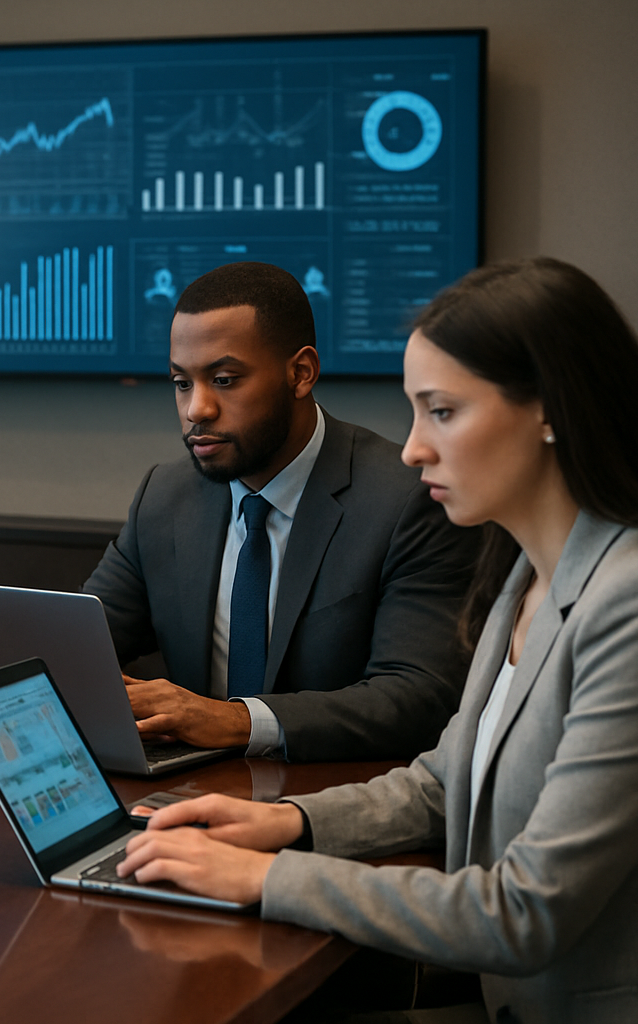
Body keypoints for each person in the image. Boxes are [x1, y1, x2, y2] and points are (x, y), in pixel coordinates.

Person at [119, 257, 638, 1023]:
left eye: (443, 412)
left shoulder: (623, 607)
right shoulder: (527, 576)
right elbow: (442, 780)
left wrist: (263, 879)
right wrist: (289, 823)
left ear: (548, 410)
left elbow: (524, 912)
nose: (412, 448)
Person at [82, 261, 478, 761]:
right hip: (184, 797)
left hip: (331, 797)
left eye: (224, 380)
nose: (196, 409)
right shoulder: (164, 495)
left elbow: (419, 697)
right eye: (182, 382)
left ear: (301, 373)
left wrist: (233, 721)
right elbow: (83, 643)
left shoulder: (406, 501)